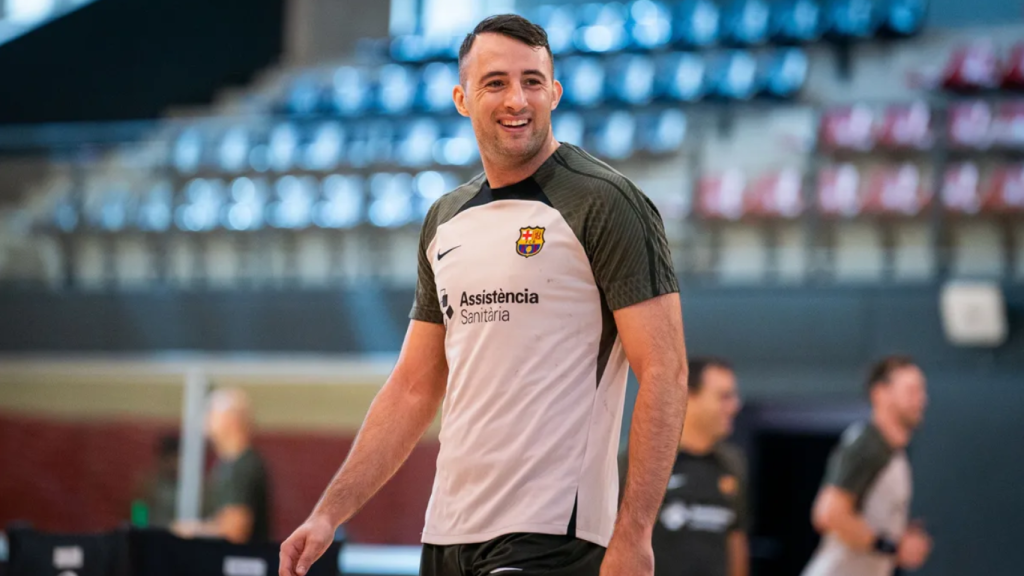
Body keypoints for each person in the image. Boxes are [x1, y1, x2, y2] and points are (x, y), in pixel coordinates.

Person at [279, 14, 688, 576]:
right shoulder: (445, 219)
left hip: (556, 534)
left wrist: (634, 534)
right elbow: (412, 388)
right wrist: (329, 513)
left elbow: (664, 370)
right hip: (449, 532)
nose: (517, 99)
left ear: (556, 92)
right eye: (495, 82)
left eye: (532, 81)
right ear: (462, 98)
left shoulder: (608, 202)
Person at [801, 356, 932, 576]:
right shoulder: (867, 445)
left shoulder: (894, 455)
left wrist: (902, 539)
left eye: (922, 391)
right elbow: (828, 513)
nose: (921, 399)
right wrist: (890, 546)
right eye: (912, 391)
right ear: (880, 393)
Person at [621, 358, 749, 576]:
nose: (735, 406)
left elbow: (736, 538)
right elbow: (618, 538)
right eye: (724, 396)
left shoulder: (731, 465)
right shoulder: (642, 461)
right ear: (689, 396)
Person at [173, 388, 271, 545]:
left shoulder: (240, 466)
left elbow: (235, 531)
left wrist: (189, 530)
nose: (205, 419)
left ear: (231, 419)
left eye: (211, 412)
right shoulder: (230, 464)